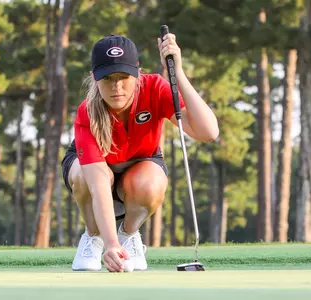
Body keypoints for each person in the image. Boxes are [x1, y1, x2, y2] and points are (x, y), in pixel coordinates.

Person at [61, 32, 219, 272]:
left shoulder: (155, 88)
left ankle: (129, 234)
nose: (117, 87)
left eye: (124, 77)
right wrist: (110, 245)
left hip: (140, 163)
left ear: (138, 73)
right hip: (97, 172)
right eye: (107, 78)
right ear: (94, 78)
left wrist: (178, 75)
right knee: (83, 176)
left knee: (151, 183)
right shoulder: (88, 113)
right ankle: (93, 237)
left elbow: (209, 132)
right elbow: (98, 185)